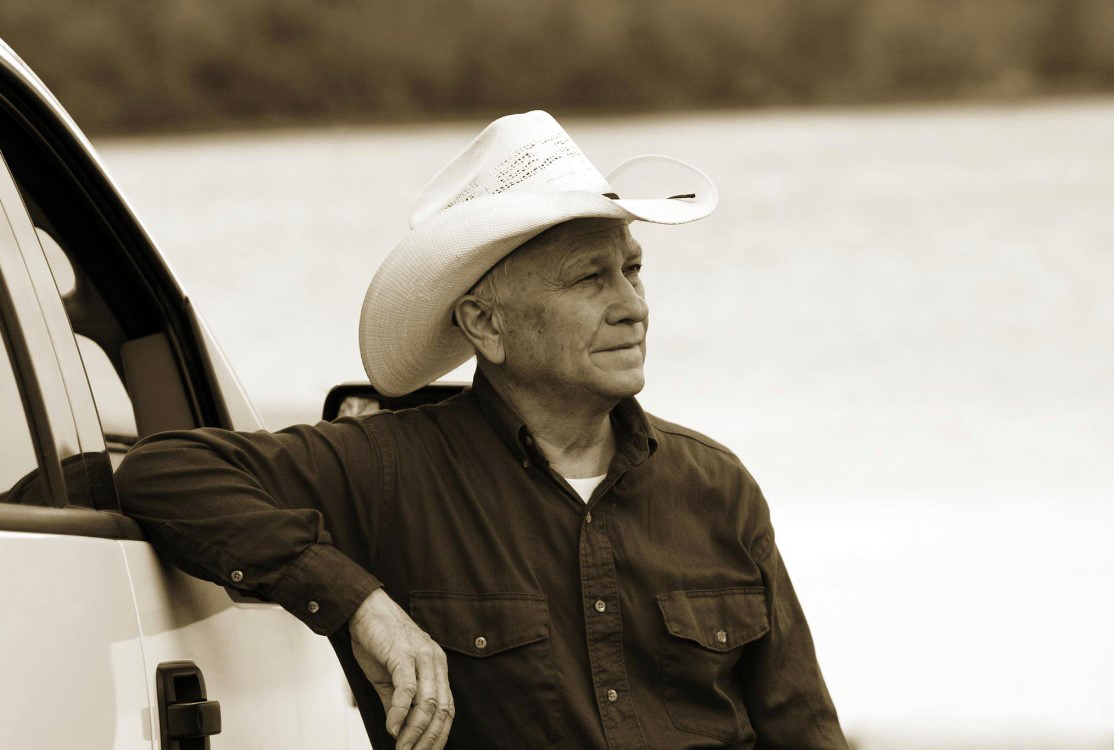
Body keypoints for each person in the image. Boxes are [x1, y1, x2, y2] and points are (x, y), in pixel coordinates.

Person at [116, 111, 848, 750]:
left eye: (633, 270)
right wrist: (359, 604)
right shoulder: (388, 468)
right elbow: (164, 472)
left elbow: (803, 731)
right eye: (591, 279)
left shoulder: (717, 487)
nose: (633, 306)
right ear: (485, 324)